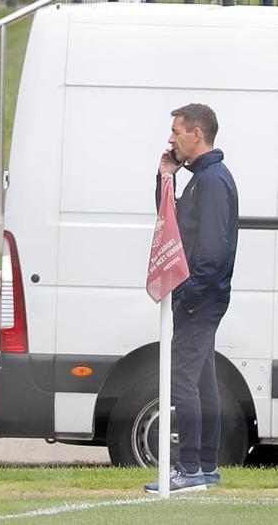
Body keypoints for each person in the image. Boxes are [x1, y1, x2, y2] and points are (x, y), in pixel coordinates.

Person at [145, 104, 238, 494]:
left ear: (196, 134)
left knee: (183, 379)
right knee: (201, 380)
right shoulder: (200, 178)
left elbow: (213, 250)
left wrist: (191, 295)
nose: (171, 138)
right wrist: (164, 176)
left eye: (176, 131)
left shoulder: (213, 180)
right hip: (203, 294)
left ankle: (189, 469)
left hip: (204, 295)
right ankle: (206, 465)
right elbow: (172, 221)